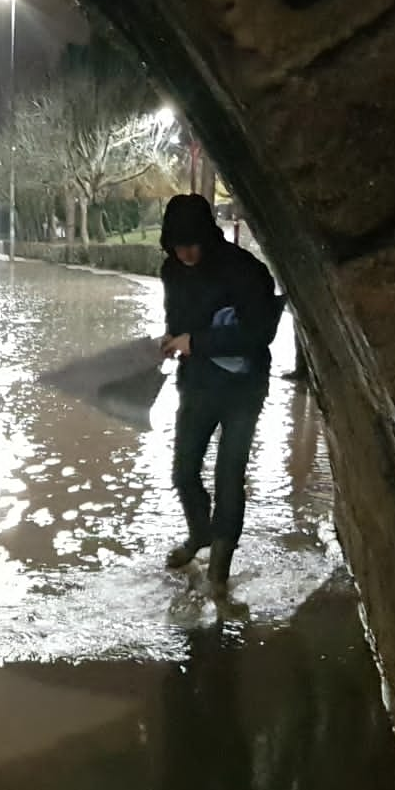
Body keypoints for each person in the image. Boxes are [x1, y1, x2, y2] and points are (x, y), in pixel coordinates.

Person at [157, 193, 282, 585]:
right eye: (178, 247)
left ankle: (219, 569)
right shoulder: (172, 269)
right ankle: (200, 534)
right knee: (184, 471)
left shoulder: (245, 271)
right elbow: (177, 317)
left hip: (243, 388)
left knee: (230, 474)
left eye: (192, 244)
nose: (187, 253)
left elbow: (260, 333)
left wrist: (196, 342)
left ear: (208, 237)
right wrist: (172, 338)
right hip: (197, 384)